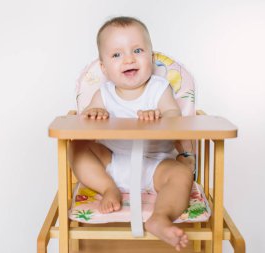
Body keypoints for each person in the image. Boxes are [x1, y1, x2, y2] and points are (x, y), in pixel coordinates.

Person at [68, 16, 195, 251]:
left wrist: (161, 115)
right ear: (104, 67)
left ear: (151, 57)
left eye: (137, 50)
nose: (128, 58)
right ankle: (108, 188)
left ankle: (161, 217)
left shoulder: (159, 88)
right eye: (116, 54)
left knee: (180, 174)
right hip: (112, 163)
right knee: (76, 147)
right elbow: (84, 122)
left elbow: (174, 117)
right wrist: (93, 112)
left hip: (156, 166)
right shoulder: (104, 93)